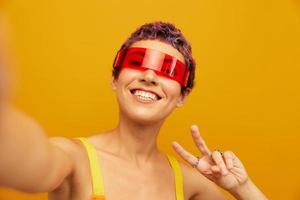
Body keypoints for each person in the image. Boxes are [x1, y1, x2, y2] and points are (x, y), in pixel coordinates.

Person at [0, 21, 268, 200]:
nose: (150, 74)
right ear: (115, 79)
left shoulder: (189, 184)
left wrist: (241, 187)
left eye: (168, 70)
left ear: (182, 96)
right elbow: (31, 162)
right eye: (137, 62)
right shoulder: (73, 158)